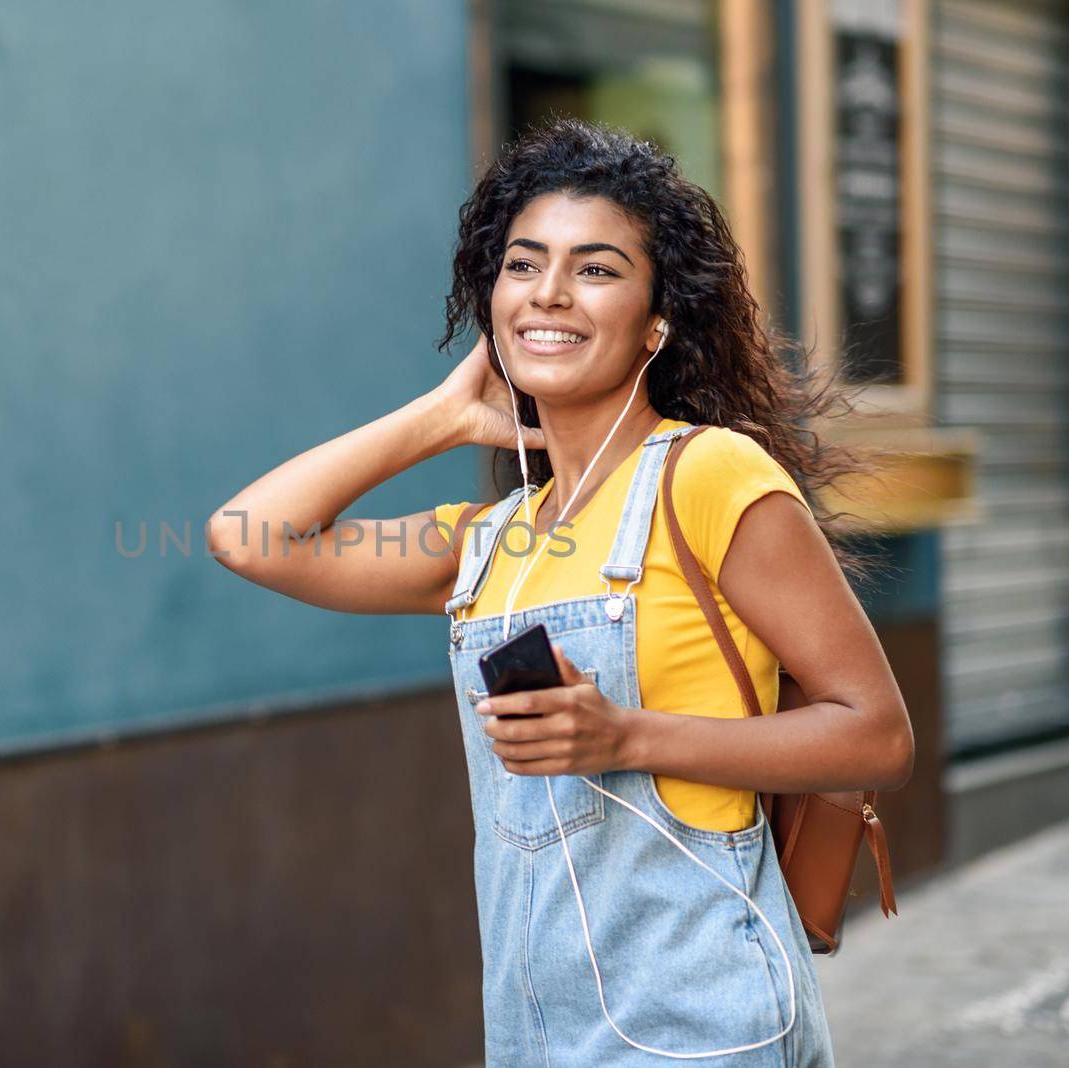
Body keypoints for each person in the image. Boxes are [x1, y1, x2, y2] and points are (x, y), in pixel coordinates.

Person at [208, 118, 913, 1066]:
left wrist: (625, 736)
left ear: (657, 319)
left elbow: (876, 732)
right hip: (535, 1025)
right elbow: (251, 538)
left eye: (596, 269)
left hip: (699, 1019)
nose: (548, 293)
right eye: (522, 265)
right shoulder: (493, 543)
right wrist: (444, 417)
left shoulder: (706, 476)